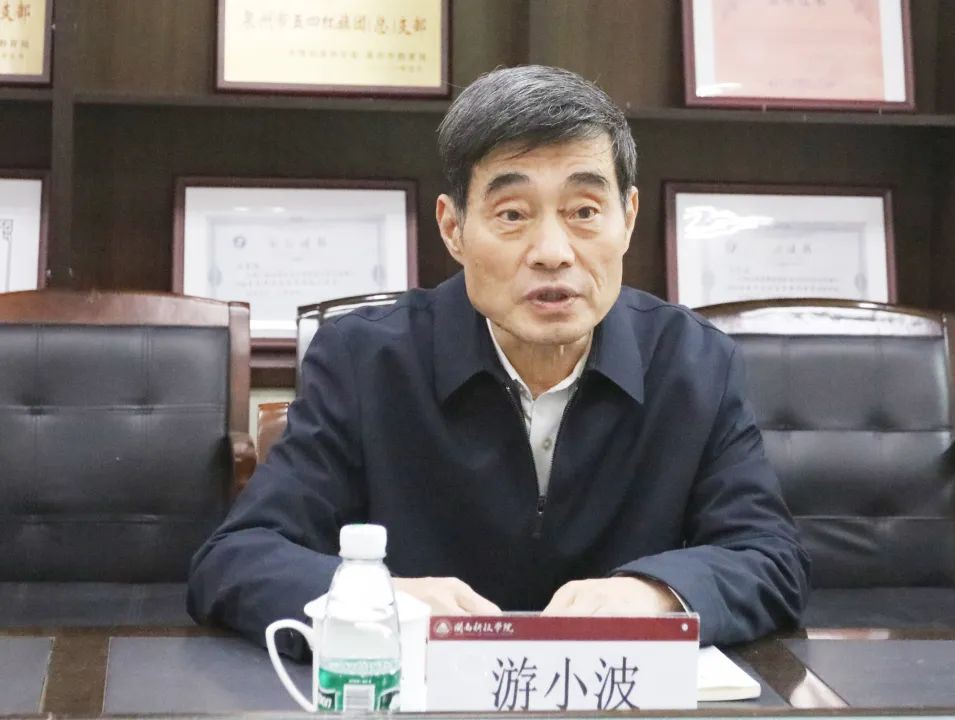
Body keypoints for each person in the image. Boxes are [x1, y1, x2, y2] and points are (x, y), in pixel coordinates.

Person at [187, 65, 809, 656]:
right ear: (453, 229)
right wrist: (379, 601)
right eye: (512, 214)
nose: (552, 251)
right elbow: (236, 559)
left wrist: (657, 594)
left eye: (584, 212)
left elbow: (770, 557)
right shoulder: (365, 359)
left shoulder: (693, 362)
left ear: (628, 219)